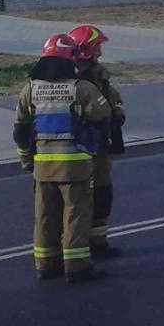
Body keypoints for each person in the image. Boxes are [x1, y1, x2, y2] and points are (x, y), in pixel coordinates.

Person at [13, 34, 114, 283]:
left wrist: (27, 161)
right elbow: (103, 116)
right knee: (75, 215)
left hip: (43, 168)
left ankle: (46, 265)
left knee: (45, 216)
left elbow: (20, 131)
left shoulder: (30, 89)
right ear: (70, 59)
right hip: (74, 167)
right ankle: (77, 267)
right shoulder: (81, 89)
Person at [67, 24, 124, 258]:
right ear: (85, 49)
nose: (100, 52)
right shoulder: (67, 78)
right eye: (97, 46)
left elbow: (112, 100)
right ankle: (77, 246)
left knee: (102, 194)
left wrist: (117, 113)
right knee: (79, 199)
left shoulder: (100, 74)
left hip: (100, 144)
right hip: (77, 147)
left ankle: (99, 242)